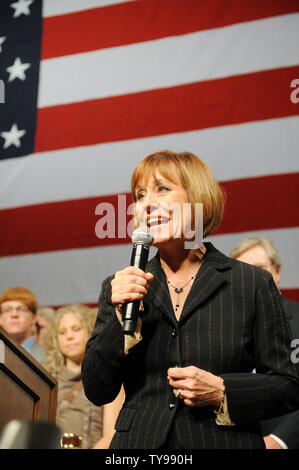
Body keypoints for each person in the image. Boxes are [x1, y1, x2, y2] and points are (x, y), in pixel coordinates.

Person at [82, 150, 299, 449]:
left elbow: (289, 384)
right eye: (140, 195)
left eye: (162, 189)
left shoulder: (252, 282)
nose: (147, 204)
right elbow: (97, 390)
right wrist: (120, 318)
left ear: (197, 200)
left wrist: (223, 391)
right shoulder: (120, 287)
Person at [230, 237, 299, 449]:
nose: (254, 278)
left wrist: (279, 440)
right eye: (244, 272)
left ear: (277, 271)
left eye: (260, 268)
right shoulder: (226, 327)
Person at [44, 303, 124, 449]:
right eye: (62, 332)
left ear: (90, 332)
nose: (69, 336)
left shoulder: (107, 378)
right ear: (56, 339)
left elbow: (111, 435)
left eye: (76, 329)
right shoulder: (47, 380)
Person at [0, 286, 44, 363]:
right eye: (7, 310)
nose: (14, 314)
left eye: (21, 309)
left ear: (33, 318)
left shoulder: (48, 358)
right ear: (0, 318)